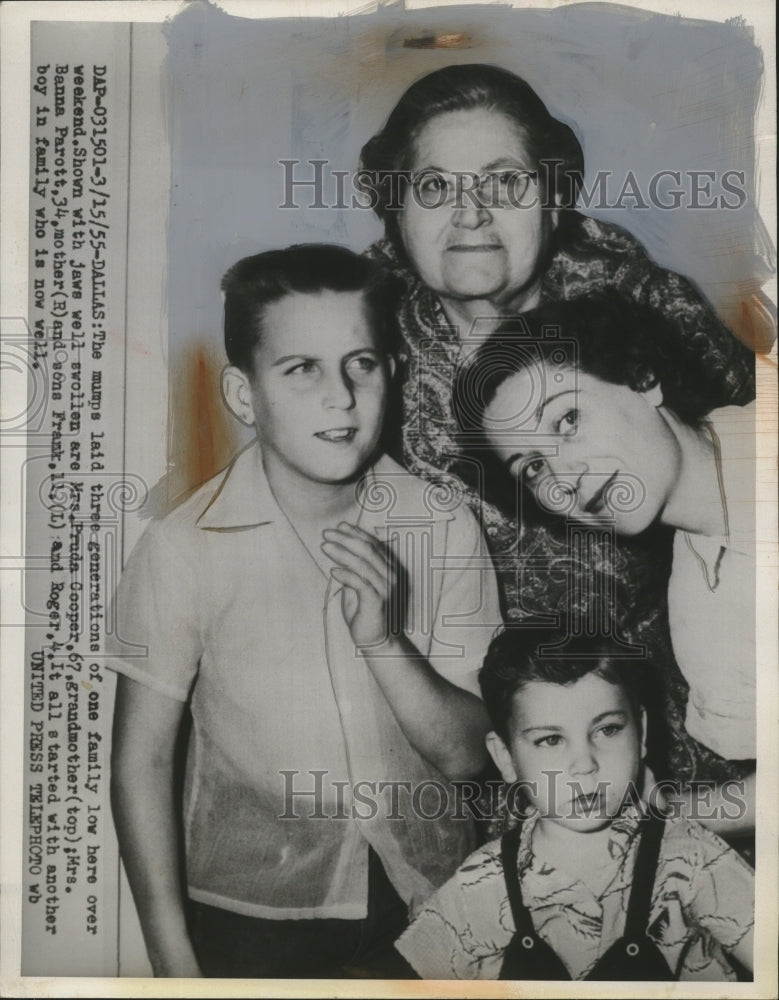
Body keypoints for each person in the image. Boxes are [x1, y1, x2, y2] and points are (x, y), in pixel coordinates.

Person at [108, 244, 501, 978]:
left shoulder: (443, 524)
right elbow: (142, 761)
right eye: (302, 369)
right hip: (255, 918)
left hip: (437, 904)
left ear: (393, 372)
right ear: (242, 394)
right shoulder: (184, 547)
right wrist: (173, 962)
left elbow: (466, 755)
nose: (341, 397)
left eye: (362, 363)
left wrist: (384, 641)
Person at [361, 61, 756, 787]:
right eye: (434, 186)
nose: (470, 213)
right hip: (497, 730)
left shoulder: (636, 297)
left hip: (688, 708)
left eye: (504, 182)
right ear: (395, 213)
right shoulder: (360, 340)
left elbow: (740, 453)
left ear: (550, 198)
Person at [452, 291, 757, 835]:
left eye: (567, 420)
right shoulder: (696, 611)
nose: (563, 475)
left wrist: (672, 815)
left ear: (643, 379)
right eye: (533, 468)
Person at [395, 628, 755, 981]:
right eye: (551, 739)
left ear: (641, 734)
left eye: (608, 730)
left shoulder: (691, 856)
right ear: (504, 757)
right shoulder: (481, 884)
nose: (584, 764)